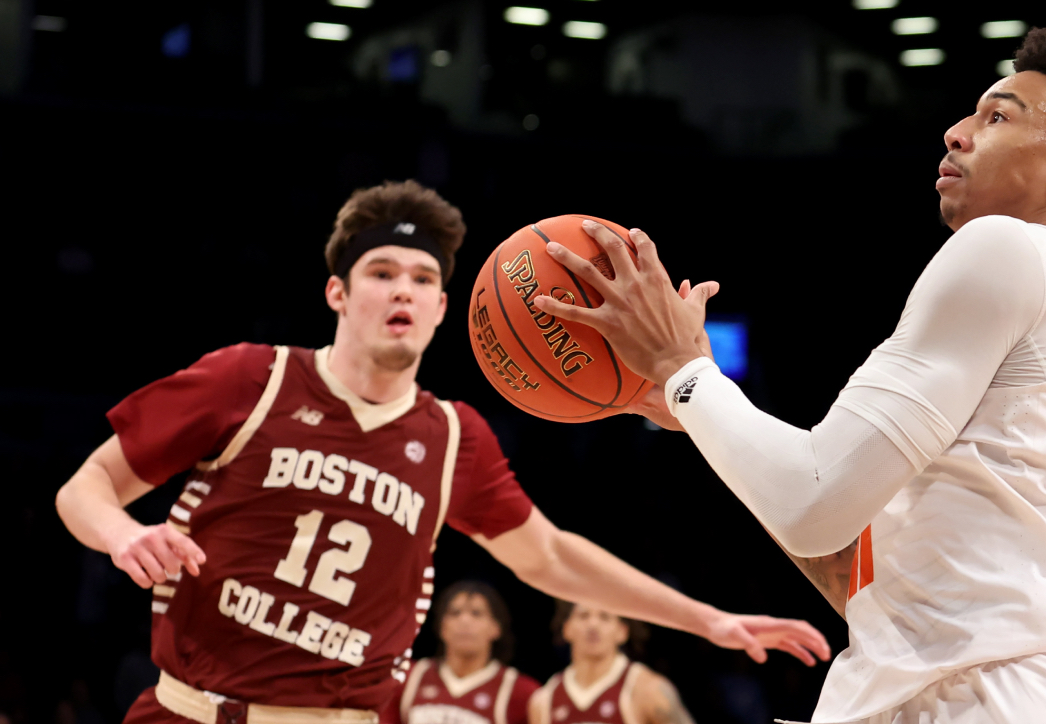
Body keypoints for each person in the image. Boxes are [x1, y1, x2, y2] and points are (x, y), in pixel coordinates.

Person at [531, 25, 1046, 724]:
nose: (957, 132)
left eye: (998, 117)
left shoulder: (1007, 249)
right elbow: (873, 589)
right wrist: (701, 410)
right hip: (1010, 690)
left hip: (991, 699)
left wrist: (683, 368)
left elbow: (812, 504)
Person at [54, 180, 830, 724]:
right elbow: (85, 487)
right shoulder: (248, 378)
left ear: (442, 308)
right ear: (337, 293)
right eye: (381, 272)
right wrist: (123, 533)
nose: (403, 289)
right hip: (191, 710)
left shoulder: (454, 436)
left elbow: (549, 557)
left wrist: (709, 621)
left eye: (422, 278)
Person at [396, 581, 537, 724]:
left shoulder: (521, 692)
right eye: (455, 613)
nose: (464, 621)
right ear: (442, 627)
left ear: (496, 628)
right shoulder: (407, 677)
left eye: (476, 613)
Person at [529, 602, 692, 724]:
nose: (593, 625)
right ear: (567, 628)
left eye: (605, 617)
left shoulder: (648, 690)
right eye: (583, 616)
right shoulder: (543, 700)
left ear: (622, 631)